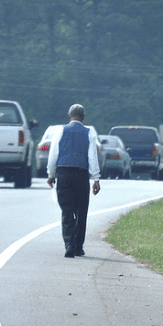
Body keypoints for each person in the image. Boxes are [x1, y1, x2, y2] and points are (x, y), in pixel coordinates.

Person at [46, 104, 101, 258]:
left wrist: (51, 174)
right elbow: (92, 157)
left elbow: (53, 154)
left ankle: (69, 243)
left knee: (67, 210)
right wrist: (96, 179)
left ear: (69, 116)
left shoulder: (60, 131)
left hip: (64, 173)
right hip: (81, 174)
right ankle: (78, 246)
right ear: (83, 117)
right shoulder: (89, 133)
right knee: (81, 211)